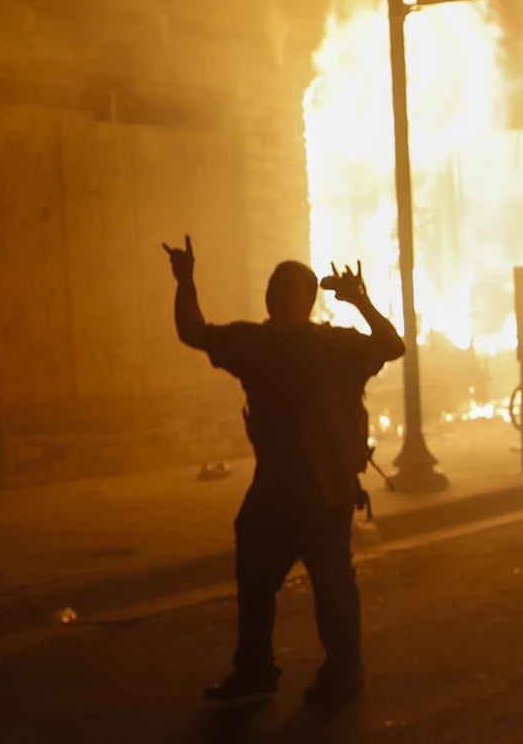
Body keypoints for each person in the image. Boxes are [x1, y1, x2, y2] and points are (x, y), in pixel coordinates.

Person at [163, 238, 405, 707]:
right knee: (260, 577)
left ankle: (340, 671)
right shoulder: (260, 342)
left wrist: (359, 301)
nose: (275, 294)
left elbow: (391, 346)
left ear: (302, 298)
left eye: (284, 287)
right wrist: (185, 279)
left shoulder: (320, 345)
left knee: (331, 582)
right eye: (273, 285)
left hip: (320, 489)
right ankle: (257, 667)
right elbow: (192, 330)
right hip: (286, 489)